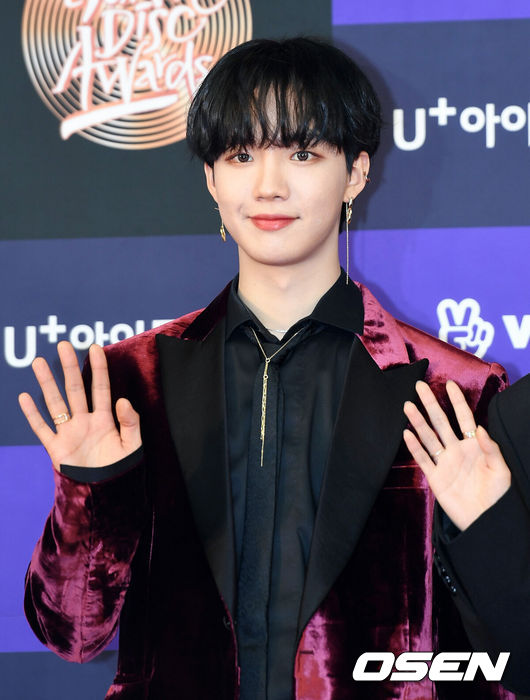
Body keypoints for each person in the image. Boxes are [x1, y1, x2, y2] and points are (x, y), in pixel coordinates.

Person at [19, 37, 528, 699]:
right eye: (241, 155)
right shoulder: (131, 382)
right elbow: (71, 636)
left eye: (302, 153)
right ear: (211, 178)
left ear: (356, 173)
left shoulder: (453, 391)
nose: (268, 186)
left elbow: (504, 659)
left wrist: (488, 529)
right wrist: (92, 492)